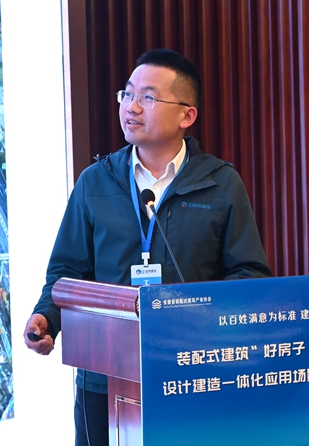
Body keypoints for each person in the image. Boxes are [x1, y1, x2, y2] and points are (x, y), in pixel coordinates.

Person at [23, 49, 271, 445]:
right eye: (127, 94)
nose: (132, 107)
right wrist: (46, 318)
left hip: (190, 370)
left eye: (148, 97)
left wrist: (200, 318)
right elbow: (67, 271)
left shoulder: (221, 183)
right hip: (104, 374)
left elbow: (249, 274)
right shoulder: (95, 182)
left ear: (187, 115)